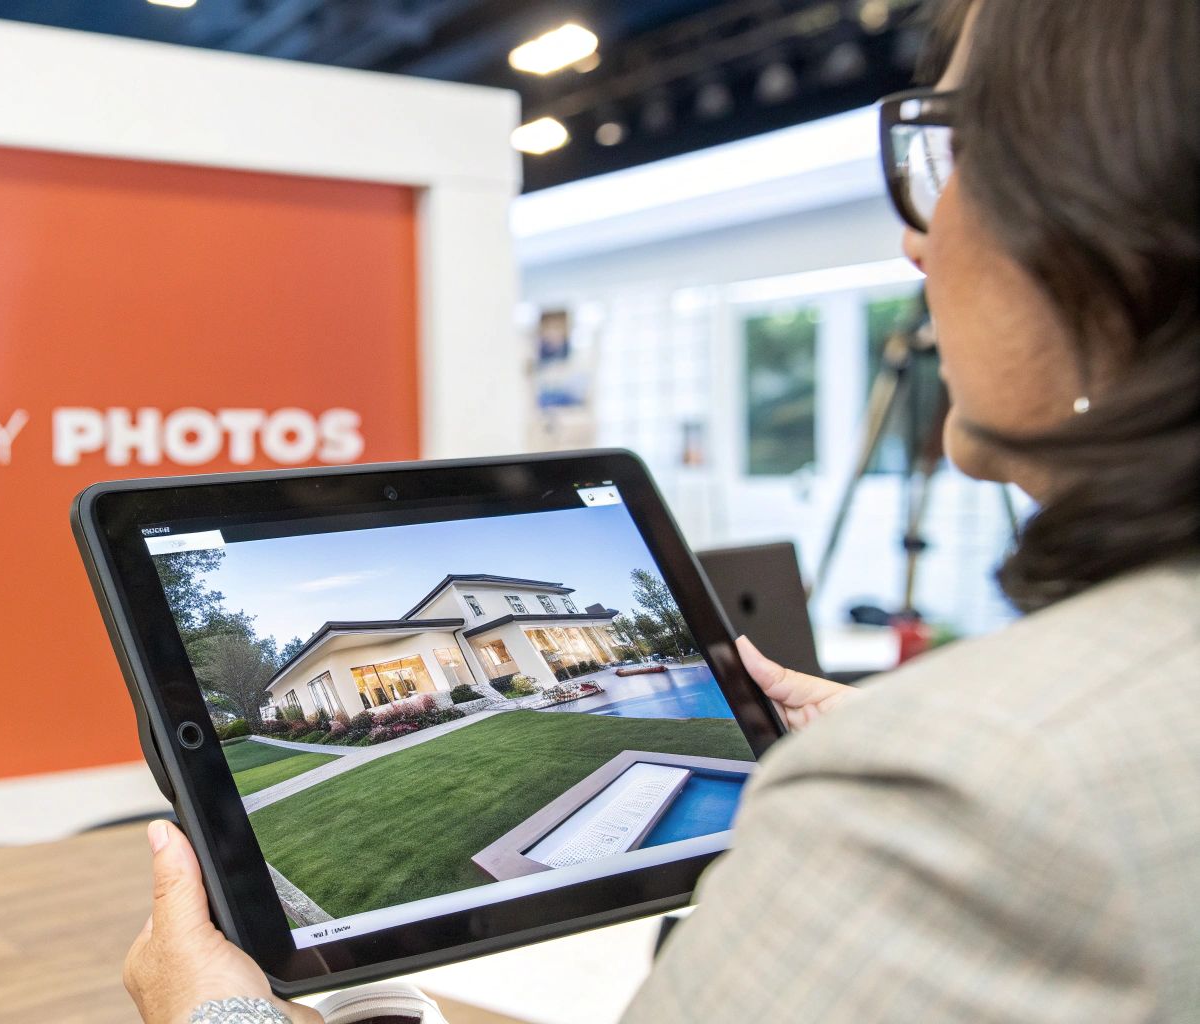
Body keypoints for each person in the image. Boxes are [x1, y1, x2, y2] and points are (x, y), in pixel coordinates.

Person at [122, 0, 1200, 1019]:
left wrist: (219, 1011)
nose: (912, 242)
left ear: (1117, 205)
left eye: (950, 147)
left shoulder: (978, 790)